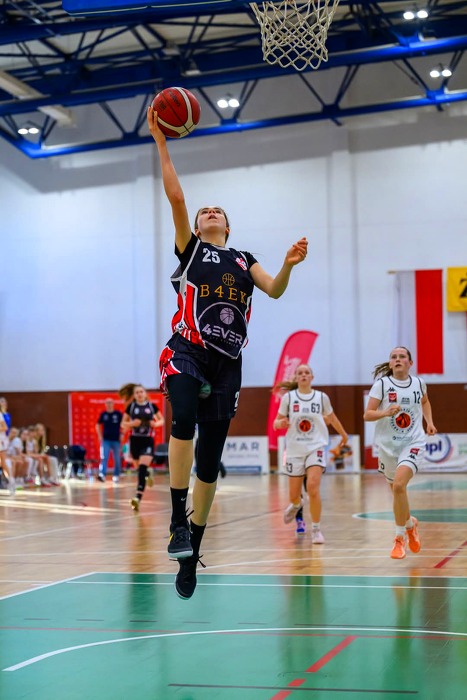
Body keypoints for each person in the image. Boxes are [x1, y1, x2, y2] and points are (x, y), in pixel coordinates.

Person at [147, 105, 308, 600]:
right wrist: (161, 141)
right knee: (183, 420)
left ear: (229, 227)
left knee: (210, 463)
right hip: (187, 349)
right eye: (205, 211)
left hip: (227, 363)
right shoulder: (192, 249)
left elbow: (273, 290)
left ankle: (191, 551)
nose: (210, 211)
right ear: (197, 226)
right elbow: (177, 197)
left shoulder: (243, 259)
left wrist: (287, 264)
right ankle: (177, 519)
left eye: (218, 210)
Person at [363, 346, 437, 560]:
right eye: (393, 357)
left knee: (398, 486)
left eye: (402, 356)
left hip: (413, 442)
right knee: (398, 492)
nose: (397, 359)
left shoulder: (419, 383)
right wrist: (385, 412)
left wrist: (429, 422)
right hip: (388, 446)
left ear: (410, 363)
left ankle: (399, 538)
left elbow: (425, 401)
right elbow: (367, 415)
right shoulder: (382, 385)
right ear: (390, 363)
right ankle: (410, 525)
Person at [273, 364, 348, 543]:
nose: (304, 375)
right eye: (300, 373)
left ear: (312, 377)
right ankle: (296, 504)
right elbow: (276, 422)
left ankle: (316, 530)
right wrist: (280, 424)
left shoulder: (321, 397)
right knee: (294, 495)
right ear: (296, 378)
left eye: (307, 372)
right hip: (295, 449)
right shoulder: (289, 398)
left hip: (316, 446)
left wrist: (343, 434)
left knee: (313, 487)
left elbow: (332, 418)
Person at [120, 383, 164, 511]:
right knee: (139, 469)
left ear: (145, 393)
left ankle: (137, 498)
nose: (139, 394)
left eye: (141, 392)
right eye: (137, 392)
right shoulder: (131, 407)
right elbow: (123, 424)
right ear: (134, 395)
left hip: (147, 440)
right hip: (135, 440)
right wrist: (131, 424)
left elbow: (161, 420)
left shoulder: (151, 406)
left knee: (142, 468)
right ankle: (147, 473)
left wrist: (155, 424)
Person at [96, 398, 123, 483]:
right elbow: (97, 425)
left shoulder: (118, 414)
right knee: (104, 457)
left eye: (110, 402)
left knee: (117, 458)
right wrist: (100, 435)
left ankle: (116, 475)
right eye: (107, 403)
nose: (109, 404)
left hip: (116, 440)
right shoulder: (103, 414)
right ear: (105, 404)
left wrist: (122, 434)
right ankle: (102, 475)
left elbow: (124, 424)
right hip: (106, 440)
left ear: (113, 404)